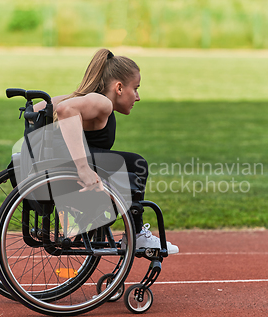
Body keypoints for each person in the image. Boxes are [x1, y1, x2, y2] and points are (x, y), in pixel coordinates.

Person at [34, 48, 178, 254]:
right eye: (135, 88)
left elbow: (40, 108)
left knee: (130, 166)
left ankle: (98, 221)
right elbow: (65, 110)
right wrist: (83, 168)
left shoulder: (89, 99)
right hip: (66, 169)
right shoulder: (102, 102)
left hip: (53, 164)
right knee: (137, 165)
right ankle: (135, 235)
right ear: (119, 87)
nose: (137, 97)